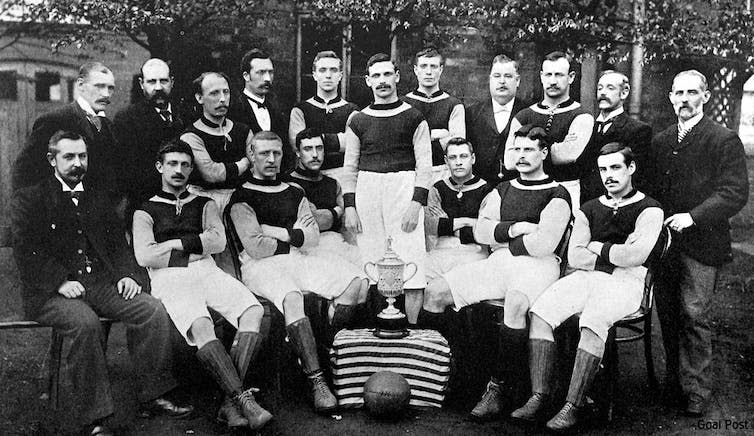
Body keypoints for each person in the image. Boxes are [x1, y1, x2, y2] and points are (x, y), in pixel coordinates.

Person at [11, 131, 193, 436]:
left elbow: (117, 245)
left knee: (150, 309)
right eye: (68, 157)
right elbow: (26, 250)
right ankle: (95, 419)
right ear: (51, 159)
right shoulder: (31, 198)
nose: (77, 163)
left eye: (82, 156)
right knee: (86, 324)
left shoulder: (97, 196)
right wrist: (59, 281)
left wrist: (126, 274)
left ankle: (155, 394)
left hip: (98, 284)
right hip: (50, 292)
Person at [419, 124, 571, 420]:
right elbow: (481, 230)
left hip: (539, 266)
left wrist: (501, 237)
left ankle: (498, 388)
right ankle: (452, 373)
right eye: (517, 149)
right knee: (435, 292)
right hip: (499, 262)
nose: (522, 156)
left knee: (515, 302)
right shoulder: (503, 189)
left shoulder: (557, 193)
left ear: (543, 152)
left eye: (529, 149)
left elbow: (544, 244)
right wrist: (515, 228)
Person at [512, 143, 663, 431]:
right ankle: (539, 396)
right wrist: (613, 253)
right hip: (585, 277)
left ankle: (574, 405)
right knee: (541, 312)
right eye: (603, 169)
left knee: (593, 319)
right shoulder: (589, 208)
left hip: (627, 282)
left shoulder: (650, 209)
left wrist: (596, 246)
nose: (609, 175)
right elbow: (575, 257)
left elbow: (636, 257)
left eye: (616, 167)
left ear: (631, 168)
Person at [132, 140, 272, 431]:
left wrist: (171, 244)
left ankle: (229, 401)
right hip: (169, 277)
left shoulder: (204, 204)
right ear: (160, 167)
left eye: (185, 164)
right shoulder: (145, 210)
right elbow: (146, 255)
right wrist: (196, 245)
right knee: (202, 325)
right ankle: (243, 400)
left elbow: (217, 241)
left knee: (252, 311)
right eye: (172, 164)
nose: (179, 170)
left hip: (207, 270)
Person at [229, 131, 368, 413]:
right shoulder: (242, 194)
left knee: (355, 281)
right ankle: (317, 382)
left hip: (299, 257)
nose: (271, 159)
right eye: (264, 153)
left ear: (284, 155)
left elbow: (313, 237)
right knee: (292, 297)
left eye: (276, 153)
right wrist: (295, 234)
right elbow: (256, 247)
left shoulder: (295, 191)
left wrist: (276, 232)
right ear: (252, 156)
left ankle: (327, 351)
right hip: (261, 267)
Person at [650, 70, 749, 417]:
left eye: (692, 92)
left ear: (705, 96)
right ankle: (673, 382)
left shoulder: (722, 139)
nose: (684, 99)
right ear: (671, 97)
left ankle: (696, 388)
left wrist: (693, 216)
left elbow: (734, 192)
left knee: (694, 314)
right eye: (678, 93)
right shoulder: (662, 141)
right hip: (666, 244)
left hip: (703, 242)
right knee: (668, 313)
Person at [342, 53, 432, 315]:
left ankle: (412, 332)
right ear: (368, 81)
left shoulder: (414, 117)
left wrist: (416, 204)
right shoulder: (358, 119)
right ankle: (377, 325)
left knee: (411, 261)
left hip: (403, 189)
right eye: (376, 76)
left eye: (387, 74)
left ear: (397, 77)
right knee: (371, 259)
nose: (382, 81)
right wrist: (350, 206)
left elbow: (424, 167)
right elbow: (350, 167)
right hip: (368, 191)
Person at [13, 62, 125, 195]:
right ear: (80, 85)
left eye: (110, 88)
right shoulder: (54, 120)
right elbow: (24, 171)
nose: (106, 94)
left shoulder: (109, 126)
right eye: (99, 86)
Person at [505, 51, 594, 208]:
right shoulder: (523, 116)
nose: (552, 81)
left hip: (566, 190)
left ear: (571, 77)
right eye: (548, 75)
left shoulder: (582, 116)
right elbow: (510, 161)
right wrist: (552, 149)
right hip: (526, 191)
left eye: (559, 75)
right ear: (541, 76)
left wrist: (527, 153)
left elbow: (567, 155)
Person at [421, 137, 491, 321]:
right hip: (440, 251)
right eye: (452, 157)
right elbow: (431, 225)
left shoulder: (487, 190)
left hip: (473, 254)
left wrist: (448, 223)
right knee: (412, 280)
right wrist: (467, 221)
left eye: (463, 156)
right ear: (446, 161)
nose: (458, 162)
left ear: (473, 158)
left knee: (440, 291)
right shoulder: (438, 188)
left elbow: (482, 231)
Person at [113, 58, 186, 206]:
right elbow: (129, 171)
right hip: (147, 202)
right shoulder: (127, 119)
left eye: (163, 81)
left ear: (172, 82)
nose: (158, 88)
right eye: (152, 82)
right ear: (141, 84)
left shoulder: (186, 113)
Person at [284, 128, 361, 267]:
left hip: (337, 245)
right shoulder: (289, 184)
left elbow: (345, 225)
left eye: (319, 148)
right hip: (306, 249)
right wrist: (336, 211)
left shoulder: (332, 183)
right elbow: (315, 221)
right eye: (308, 149)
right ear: (298, 153)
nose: (315, 155)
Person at [179, 72, 252, 213]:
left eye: (226, 92)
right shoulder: (191, 136)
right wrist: (243, 163)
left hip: (241, 200)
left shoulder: (243, 131)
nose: (223, 99)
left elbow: (257, 165)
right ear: (200, 98)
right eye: (214, 93)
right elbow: (212, 174)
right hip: (203, 203)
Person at [579, 70, 652, 202]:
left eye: (610, 88)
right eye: (599, 88)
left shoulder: (638, 130)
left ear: (624, 93)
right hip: (588, 206)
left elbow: (638, 178)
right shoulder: (588, 127)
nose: (602, 92)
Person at [288, 51, 359, 182]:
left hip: (341, 176)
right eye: (322, 70)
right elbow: (297, 144)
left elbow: (353, 144)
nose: (328, 75)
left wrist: (318, 140)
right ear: (315, 75)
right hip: (308, 178)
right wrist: (339, 140)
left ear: (340, 75)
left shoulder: (351, 110)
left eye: (333, 70)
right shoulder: (301, 109)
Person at [403, 47, 465, 183]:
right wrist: (439, 135)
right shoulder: (404, 104)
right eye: (424, 66)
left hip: (443, 173)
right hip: (410, 173)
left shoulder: (454, 104)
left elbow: (457, 145)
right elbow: (402, 143)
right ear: (415, 70)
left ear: (441, 69)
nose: (429, 72)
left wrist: (418, 137)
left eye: (433, 66)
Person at [466, 54, 528, 186]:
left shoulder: (528, 113)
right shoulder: (472, 114)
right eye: (497, 76)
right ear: (490, 80)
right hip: (480, 189)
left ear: (517, 81)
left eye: (508, 76)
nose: (502, 81)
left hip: (517, 188)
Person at [228, 48, 293, 172]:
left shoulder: (277, 110)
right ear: (246, 76)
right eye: (261, 72)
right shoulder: (234, 110)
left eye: (270, 72)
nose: (268, 78)